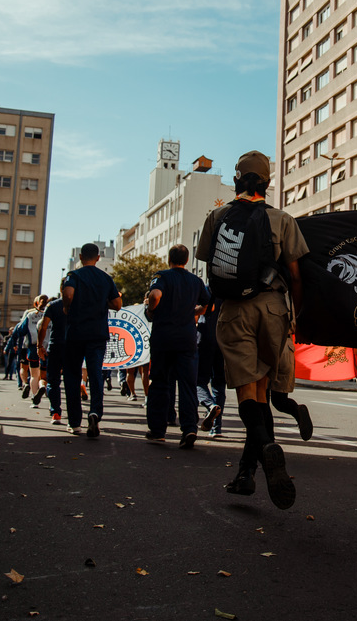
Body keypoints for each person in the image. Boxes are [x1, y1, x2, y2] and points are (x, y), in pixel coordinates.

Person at [195, 150, 308, 510]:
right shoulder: (282, 219)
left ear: (236, 180)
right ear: (268, 182)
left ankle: (265, 450)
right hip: (273, 309)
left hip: (234, 310)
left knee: (247, 393)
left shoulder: (217, 216)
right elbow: (296, 275)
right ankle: (247, 473)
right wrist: (298, 316)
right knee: (261, 393)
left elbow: (208, 261)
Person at [143, 244, 210, 448]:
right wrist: (192, 312)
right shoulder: (196, 281)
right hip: (187, 339)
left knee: (160, 383)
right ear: (187, 260)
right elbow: (207, 305)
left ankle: (158, 430)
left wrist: (151, 310)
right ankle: (189, 428)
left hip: (163, 337)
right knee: (188, 385)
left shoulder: (161, 276)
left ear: (169, 259)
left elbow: (155, 295)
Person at [61, 243, 121, 438]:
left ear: (80, 257)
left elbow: (68, 293)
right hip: (98, 333)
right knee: (95, 374)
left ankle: (74, 422)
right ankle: (95, 412)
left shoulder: (73, 275)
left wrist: (67, 307)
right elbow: (117, 304)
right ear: (98, 258)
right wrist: (103, 302)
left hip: (76, 332)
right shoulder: (106, 278)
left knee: (72, 375)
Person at [38, 285, 68, 425]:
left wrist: (39, 346)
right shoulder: (80, 304)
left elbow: (43, 326)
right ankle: (74, 418)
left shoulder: (53, 305)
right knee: (72, 381)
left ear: (61, 289)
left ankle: (55, 412)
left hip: (55, 345)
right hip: (73, 346)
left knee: (53, 381)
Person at [195, 300, 226, 436]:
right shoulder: (228, 293)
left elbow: (198, 310)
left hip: (205, 337)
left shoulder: (206, 291)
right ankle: (216, 427)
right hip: (224, 338)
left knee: (198, 381)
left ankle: (210, 405)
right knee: (219, 384)